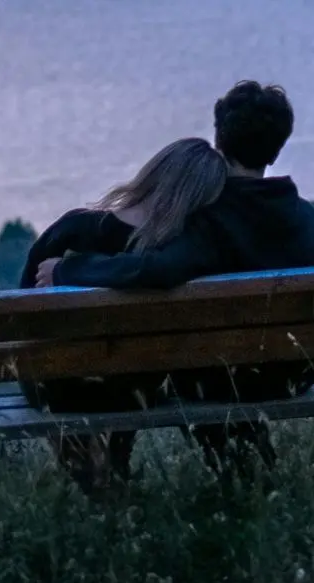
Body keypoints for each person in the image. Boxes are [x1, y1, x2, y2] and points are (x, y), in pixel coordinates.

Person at [34, 81, 314, 481]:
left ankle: (232, 481)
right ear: (278, 145)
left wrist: (66, 271)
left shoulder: (212, 220)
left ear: (219, 139)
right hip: (299, 372)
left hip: (231, 377)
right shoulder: (304, 217)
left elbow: (155, 270)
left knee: (173, 362)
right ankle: (251, 482)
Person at [18, 137, 228, 490]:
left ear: (154, 174)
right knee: (135, 364)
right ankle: (113, 469)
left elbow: (22, 307)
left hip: (55, 386)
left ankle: (96, 484)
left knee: (72, 364)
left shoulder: (75, 229)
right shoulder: (182, 253)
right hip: (134, 386)